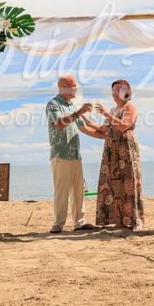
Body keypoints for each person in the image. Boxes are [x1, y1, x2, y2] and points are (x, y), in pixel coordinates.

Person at [45, 75, 102, 234]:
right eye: (73, 85)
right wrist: (79, 112)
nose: (76, 89)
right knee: (61, 190)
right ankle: (58, 224)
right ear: (63, 86)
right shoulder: (53, 104)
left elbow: (85, 129)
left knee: (78, 190)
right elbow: (59, 124)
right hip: (60, 153)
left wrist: (107, 138)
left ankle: (80, 222)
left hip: (76, 154)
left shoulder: (71, 105)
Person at [93, 79, 145, 231]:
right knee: (114, 183)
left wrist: (105, 114)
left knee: (129, 181)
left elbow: (124, 126)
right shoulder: (113, 109)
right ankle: (120, 219)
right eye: (115, 90)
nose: (116, 93)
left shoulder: (130, 107)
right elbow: (102, 130)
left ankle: (134, 220)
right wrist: (82, 121)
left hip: (126, 148)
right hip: (112, 150)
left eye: (120, 90)